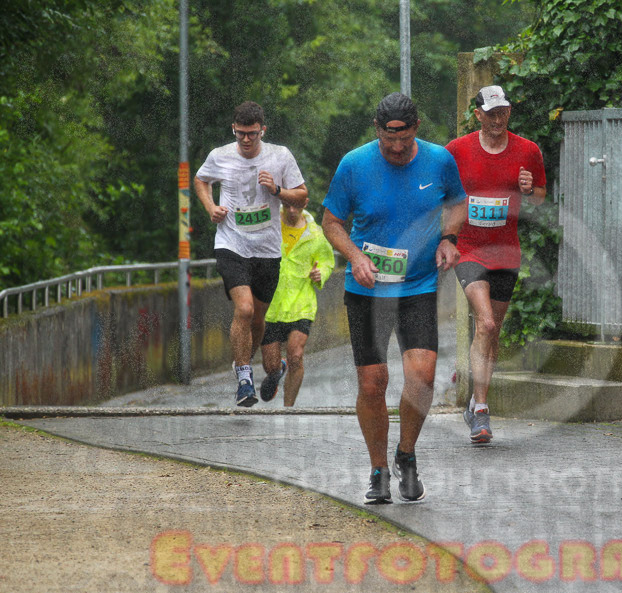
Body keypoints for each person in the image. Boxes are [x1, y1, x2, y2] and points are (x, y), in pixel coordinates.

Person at [321, 92, 467, 504]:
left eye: (404, 140)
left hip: (417, 286)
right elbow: (332, 222)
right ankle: (378, 471)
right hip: (366, 290)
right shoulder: (354, 164)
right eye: (389, 142)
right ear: (378, 131)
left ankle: (406, 455)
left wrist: (448, 239)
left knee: (421, 376)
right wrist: (354, 256)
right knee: (374, 382)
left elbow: (458, 203)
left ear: (416, 128)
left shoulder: (439, 161)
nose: (398, 148)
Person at [446, 85, 546, 443]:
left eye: (502, 112)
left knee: (491, 332)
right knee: (485, 322)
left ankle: (475, 398)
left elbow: (538, 199)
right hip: (469, 251)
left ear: (509, 113)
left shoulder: (527, 150)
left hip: (506, 253)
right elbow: (442, 194)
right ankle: (483, 413)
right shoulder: (456, 151)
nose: (497, 120)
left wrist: (528, 188)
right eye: (490, 113)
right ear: (477, 115)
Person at [194, 101, 308, 407]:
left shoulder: (280, 156)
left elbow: (302, 195)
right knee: (243, 310)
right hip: (232, 243)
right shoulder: (220, 156)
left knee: (258, 320)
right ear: (234, 129)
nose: (246, 140)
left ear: (263, 131)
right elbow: (201, 180)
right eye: (241, 133)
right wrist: (211, 208)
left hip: (268, 249)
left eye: (253, 134)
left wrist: (277, 192)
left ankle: (247, 362)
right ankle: (244, 379)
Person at [257, 199, 336, 406]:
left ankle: (288, 408)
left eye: (297, 206)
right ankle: (278, 369)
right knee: (270, 366)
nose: (292, 210)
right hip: (270, 307)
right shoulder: (270, 225)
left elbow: (327, 260)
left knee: (296, 355)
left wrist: (322, 273)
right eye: (288, 205)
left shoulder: (315, 234)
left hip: (302, 304)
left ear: (305, 204)